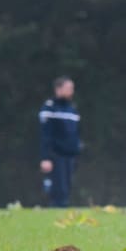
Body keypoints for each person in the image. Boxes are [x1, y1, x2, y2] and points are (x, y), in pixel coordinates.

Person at [39, 76, 81, 207]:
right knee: (58, 189)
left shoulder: (72, 108)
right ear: (58, 89)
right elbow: (45, 135)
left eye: (72, 88)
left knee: (67, 188)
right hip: (56, 155)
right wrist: (46, 157)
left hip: (70, 155)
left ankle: (63, 211)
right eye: (68, 88)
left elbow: (75, 133)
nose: (71, 91)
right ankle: (56, 214)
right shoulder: (49, 108)